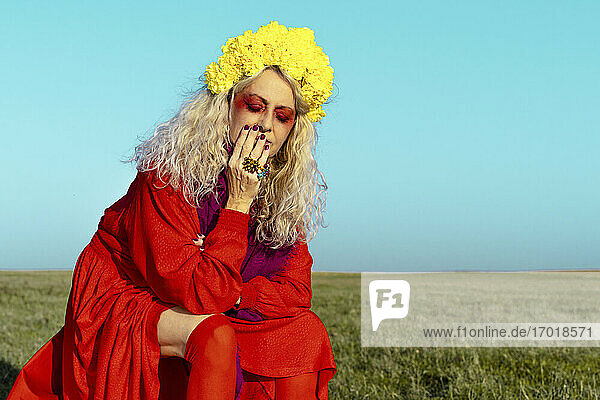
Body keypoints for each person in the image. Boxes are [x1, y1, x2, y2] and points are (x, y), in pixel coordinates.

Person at [7, 21, 336, 400]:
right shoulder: (170, 174)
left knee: (305, 331)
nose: (264, 126)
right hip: (128, 293)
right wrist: (238, 204)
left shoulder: (281, 191)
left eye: (282, 116)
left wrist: (240, 294)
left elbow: (296, 291)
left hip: (219, 296)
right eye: (255, 106)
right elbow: (198, 293)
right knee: (214, 333)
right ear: (226, 105)